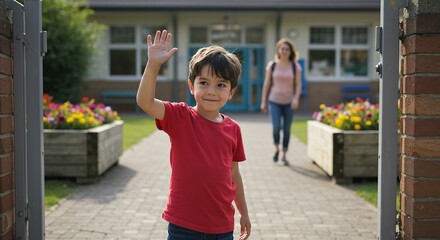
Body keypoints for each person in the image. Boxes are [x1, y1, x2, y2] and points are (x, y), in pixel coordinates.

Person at [136, 30, 251, 240]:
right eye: (204, 83)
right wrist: (153, 65)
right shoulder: (179, 117)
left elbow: (234, 175)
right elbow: (145, 102)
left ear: (231, 92)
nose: (211, 91)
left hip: (222, 226)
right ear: (191, 86)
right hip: (183, 225)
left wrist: (243, 213)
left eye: (221, 85)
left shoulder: (233, 129)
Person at [260, 38, 302, 166]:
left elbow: (298, 85)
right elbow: (267, 84)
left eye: (287, 49)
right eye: (282, 48)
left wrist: (296, 99)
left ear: (290, 52)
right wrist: (264, 101)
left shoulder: (295, 66)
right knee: (276, 127)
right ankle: (276, 148)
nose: (284, 51)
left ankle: (284, 154)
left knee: (287, 129)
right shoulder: (272, 65)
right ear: (278, 50)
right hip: (274, 100)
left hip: (289, 101)